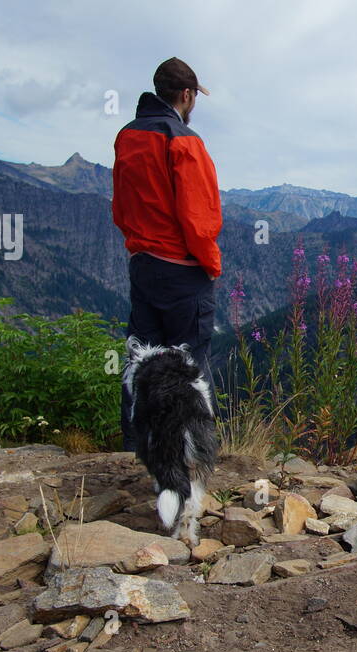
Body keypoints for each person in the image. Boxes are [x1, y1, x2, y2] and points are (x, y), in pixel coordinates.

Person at [111, 57, 222, 452]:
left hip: (143, 264)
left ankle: (136, 449)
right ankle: (195, 454)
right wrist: (210, 264)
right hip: (182, 271)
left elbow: (121, 207)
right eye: (195, 97)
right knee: (191, 366)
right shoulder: (184, 141)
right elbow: (198, 216)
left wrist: (140, 245)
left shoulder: (127, 137)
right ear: (187, 95)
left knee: (141, 360)